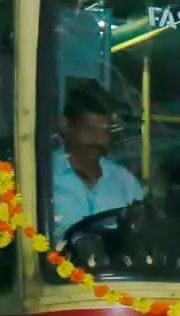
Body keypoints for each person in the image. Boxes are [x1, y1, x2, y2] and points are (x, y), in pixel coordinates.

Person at [50, 83, 143, 241]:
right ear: (65, 125)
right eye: (90, 130)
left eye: (105, 132)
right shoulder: (42, 177)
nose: (100, 140)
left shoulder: (125, 182)